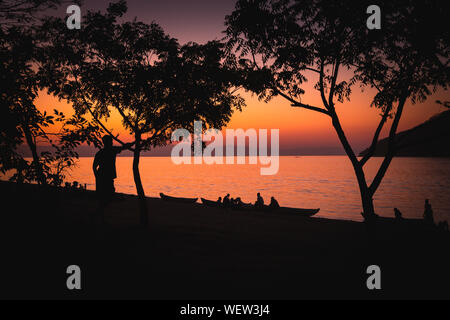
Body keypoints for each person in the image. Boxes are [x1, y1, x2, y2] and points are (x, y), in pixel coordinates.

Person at [93, 136, 132, 221]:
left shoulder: (108, 151)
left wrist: (134, 142)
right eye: (110, 141)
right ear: (106, 142)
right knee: (106, 196)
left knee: (106, 197)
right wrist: (97, 177)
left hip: (105, 177)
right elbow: (94, 167)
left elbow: (124, 147)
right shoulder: (107, 151)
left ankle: (99, 214)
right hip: (104, 177)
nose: (112, 143)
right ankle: (98, 214)